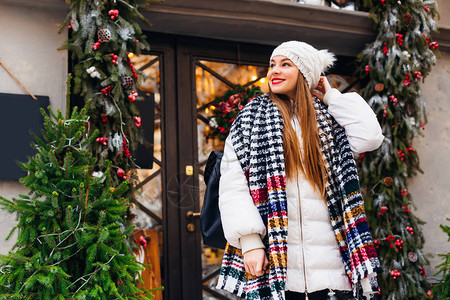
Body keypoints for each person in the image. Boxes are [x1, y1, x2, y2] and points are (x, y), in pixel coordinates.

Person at [216, 41, 384, 300]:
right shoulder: (251, 118)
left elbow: (370, 136)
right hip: (277, 266)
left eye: (286, 64)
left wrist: (331, 96)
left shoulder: (329, 120)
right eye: (272, 65)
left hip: (333, 268)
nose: (274, 71)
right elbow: (233, 184)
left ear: (306, 73)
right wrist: (250, 242)